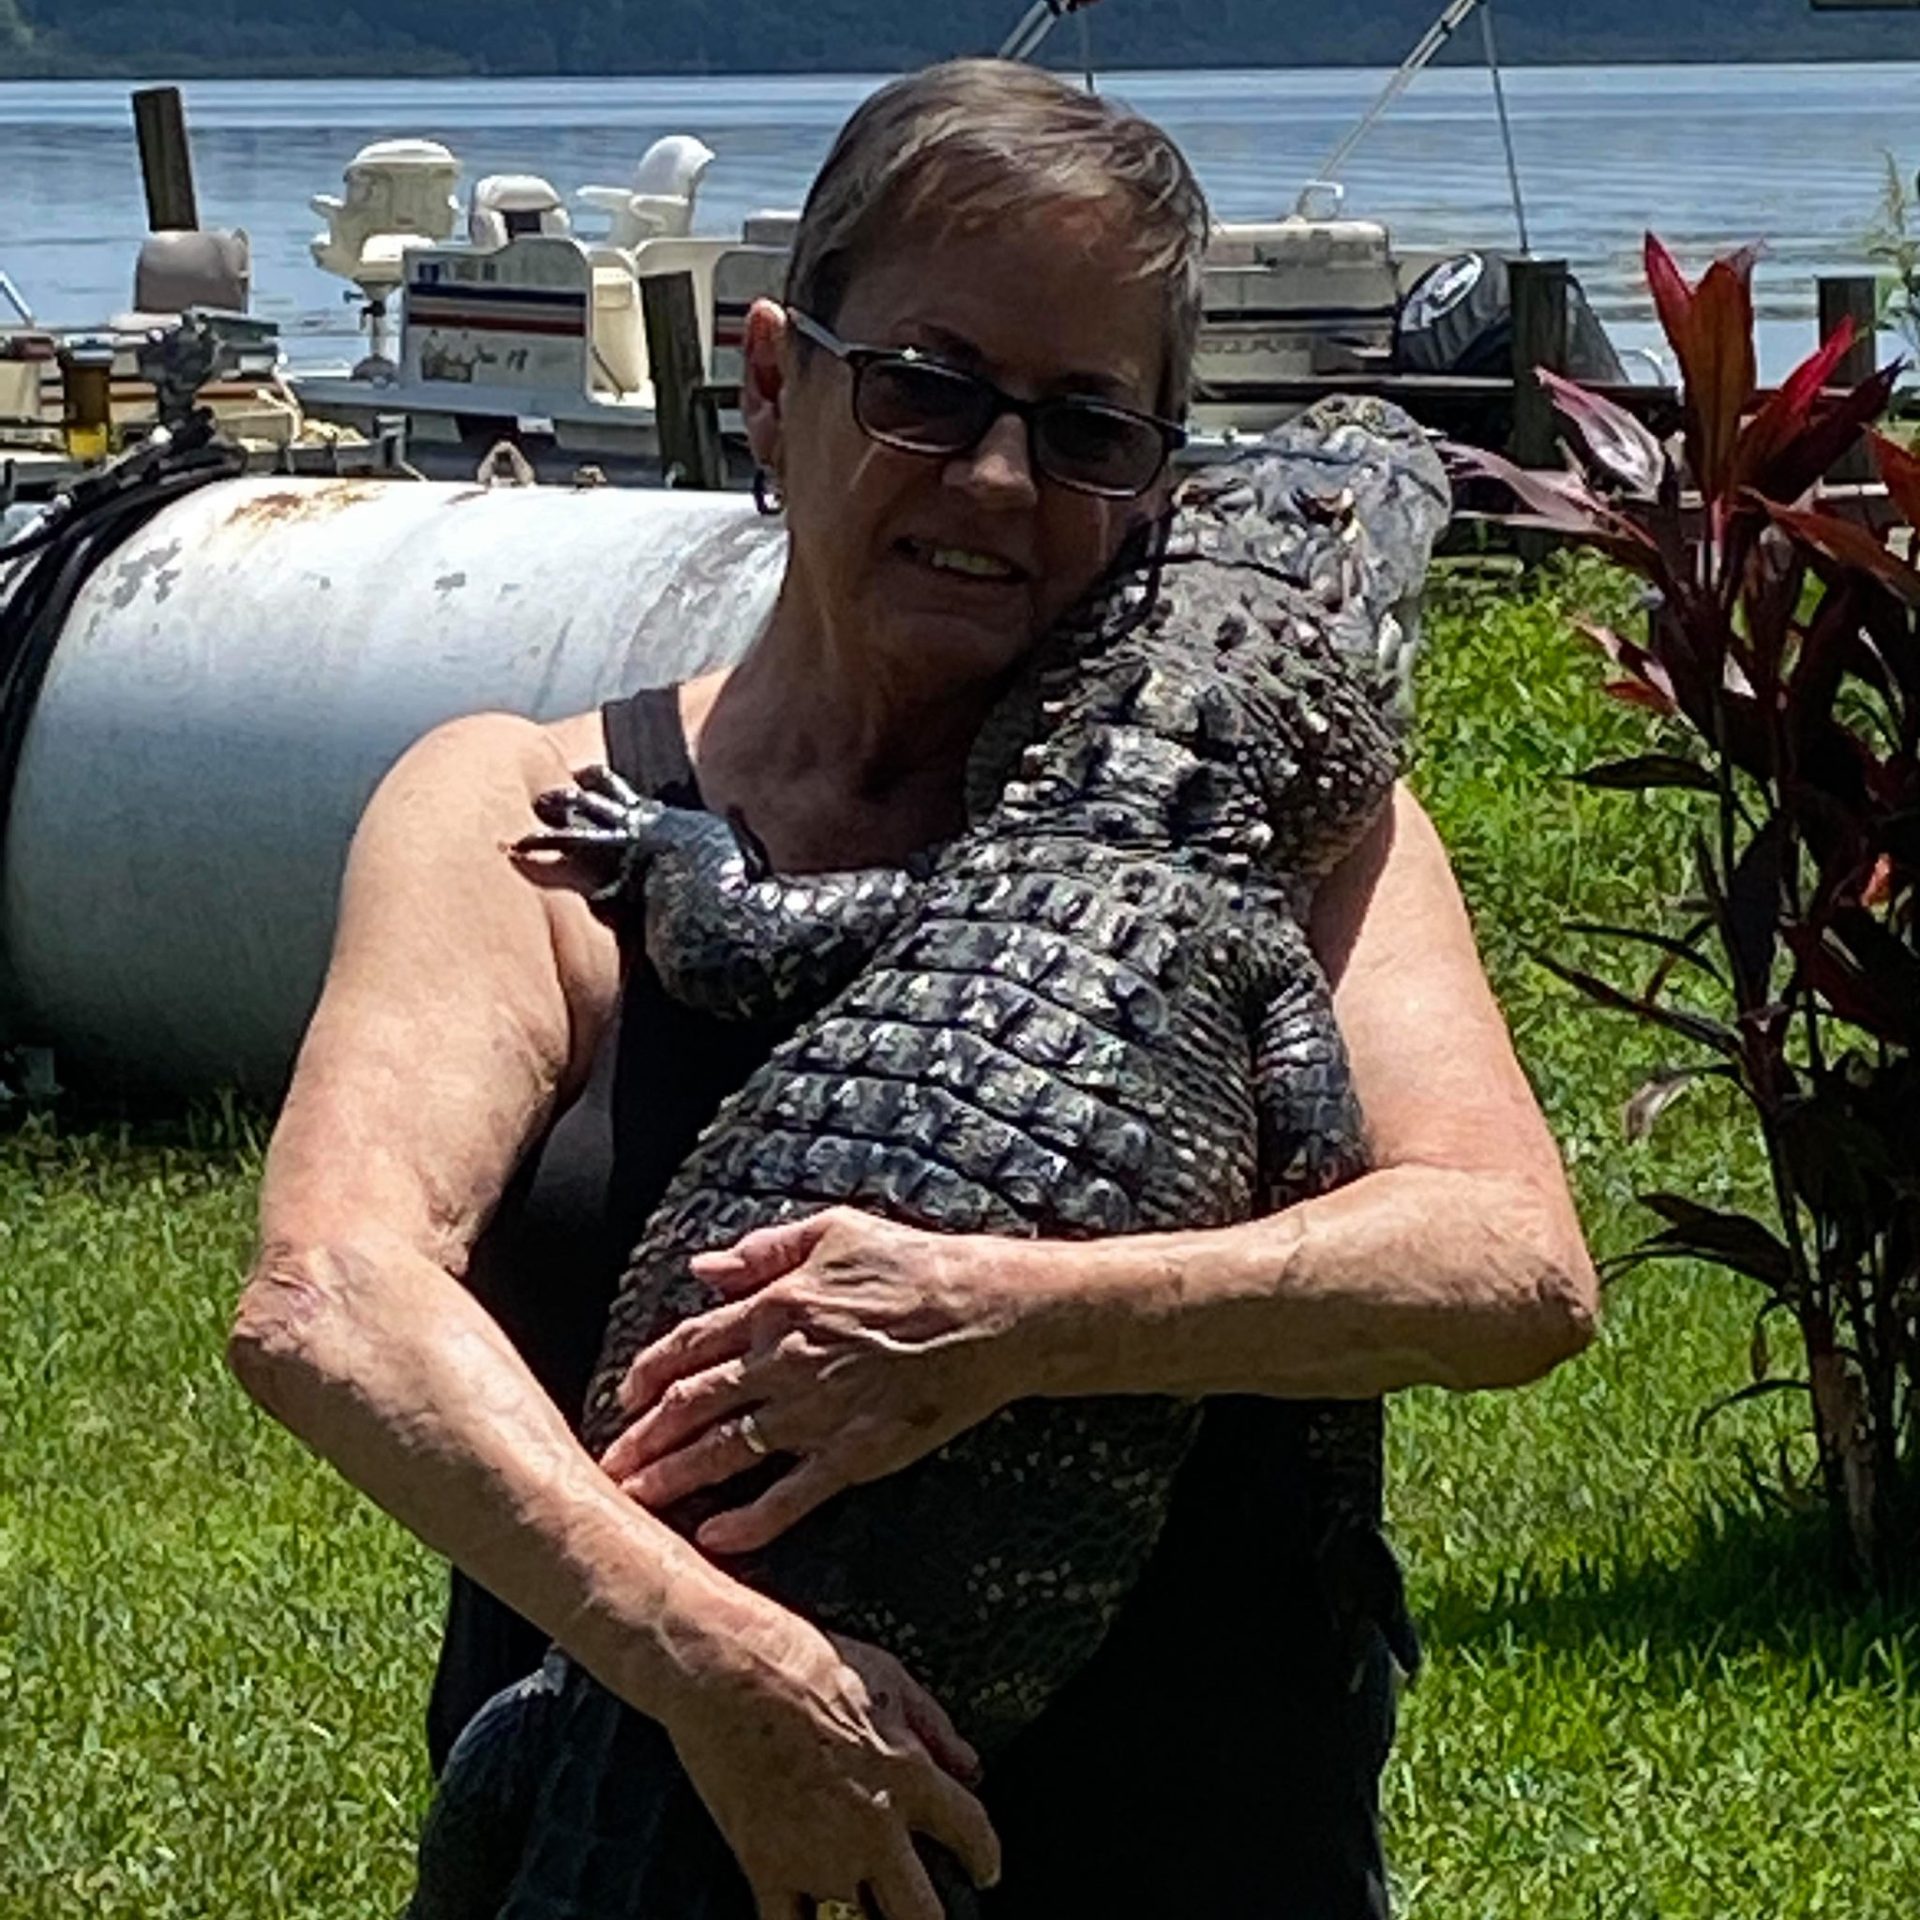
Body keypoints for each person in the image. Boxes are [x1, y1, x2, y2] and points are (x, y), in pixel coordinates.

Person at [229, 60, 1597, 1920]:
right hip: (646, 1813)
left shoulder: (1279, 831)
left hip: (1195, 1842)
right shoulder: (518, 807)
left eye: (1091, 428)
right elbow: (329, 1303)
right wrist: (724, 1667)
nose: (1000, 479)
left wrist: (1008, 1314)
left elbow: (1503, 1272)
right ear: (777, 385)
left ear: (1158, 485)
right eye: (929, 391)